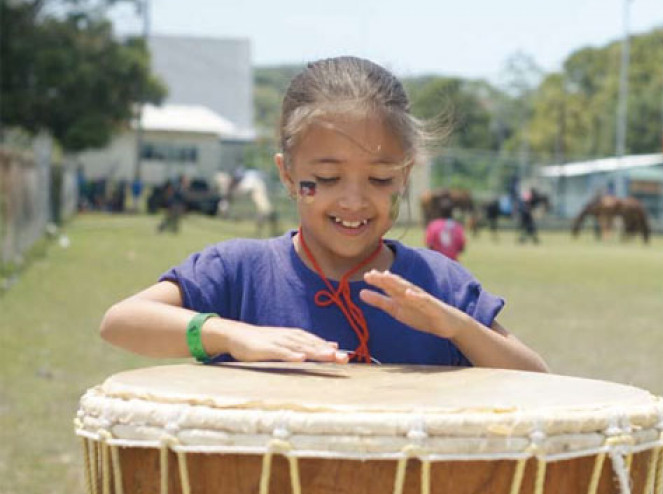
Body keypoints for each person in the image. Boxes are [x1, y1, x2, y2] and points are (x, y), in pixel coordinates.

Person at [101, 56, 548, 372]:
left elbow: (535, 379)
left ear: (406, 176)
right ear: (289, 174)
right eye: (328, 179)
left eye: (379, 180)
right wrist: (229, 334)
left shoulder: (437, 284)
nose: (354, 201)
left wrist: (458, 327)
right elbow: (121, 322)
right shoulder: (239, 271)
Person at [425, 193, 466, 261]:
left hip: (437, 262)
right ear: (451, 211)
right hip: (453, 263)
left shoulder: (433, 225)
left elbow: (430, 245)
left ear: (439, 210)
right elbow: (461, 247)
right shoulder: (457, 226)